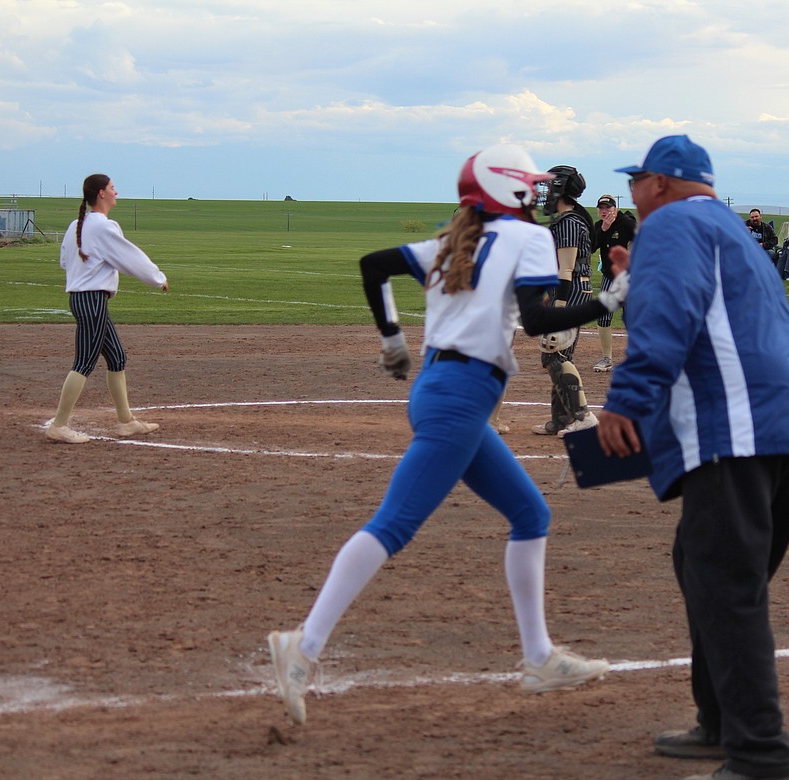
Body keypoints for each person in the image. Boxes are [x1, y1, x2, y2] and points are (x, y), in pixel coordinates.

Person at [265, 145, 624, 726]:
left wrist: (390, 339)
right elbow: (535, 320)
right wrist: (609, 299)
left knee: (531, 515)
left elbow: (372, 266)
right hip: (461, 396)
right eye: (526, 185)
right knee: (393, 524)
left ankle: (538, 658)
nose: (537, 193)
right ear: (506, 191)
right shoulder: (527, 240)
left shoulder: (452, 241)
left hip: (442, 388)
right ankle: (302, 646)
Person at [599, 135, 789, 780]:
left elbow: (671, 317)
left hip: (740, 426)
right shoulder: (728, 228)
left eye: (637, 180)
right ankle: (720, 721)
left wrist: (626, 399)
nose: (632, 193)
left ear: (663, 184)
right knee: (709, 570)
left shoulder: (671, 223)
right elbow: (706, 312)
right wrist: (634, 282)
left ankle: (762, 752)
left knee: (727, 588)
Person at [44, 174, 167, 444]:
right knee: (84, 362)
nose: (116, 192)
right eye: (112, 188)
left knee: (117, 357)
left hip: (85, 299)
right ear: (101, 193)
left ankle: (126, 422)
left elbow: (65, 262)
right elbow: (130, 257)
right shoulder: (103, 226)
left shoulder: (77, 225)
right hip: (91, 300)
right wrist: (158, 278)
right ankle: (59, 424)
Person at [532, 165, 599, 436]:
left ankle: (583, 416)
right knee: (557, 354)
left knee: (555, 350)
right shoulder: (565, 220)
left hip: (569, 292)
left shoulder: (570, 222)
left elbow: (566, 268)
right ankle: (560, 419)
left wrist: (559, 304)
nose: (545, 193)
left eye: (549, 187)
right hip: (566, 292)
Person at [590, 194, 636, 373]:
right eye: (601, 208)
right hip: (609, 276)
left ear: (614, 208)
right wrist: (604, 229)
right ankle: (606, 358)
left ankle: (635, 356)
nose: (604, 211)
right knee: (603, 316)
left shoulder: (626, 224)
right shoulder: (599, 227)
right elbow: (592, 247)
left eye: (608, 208)